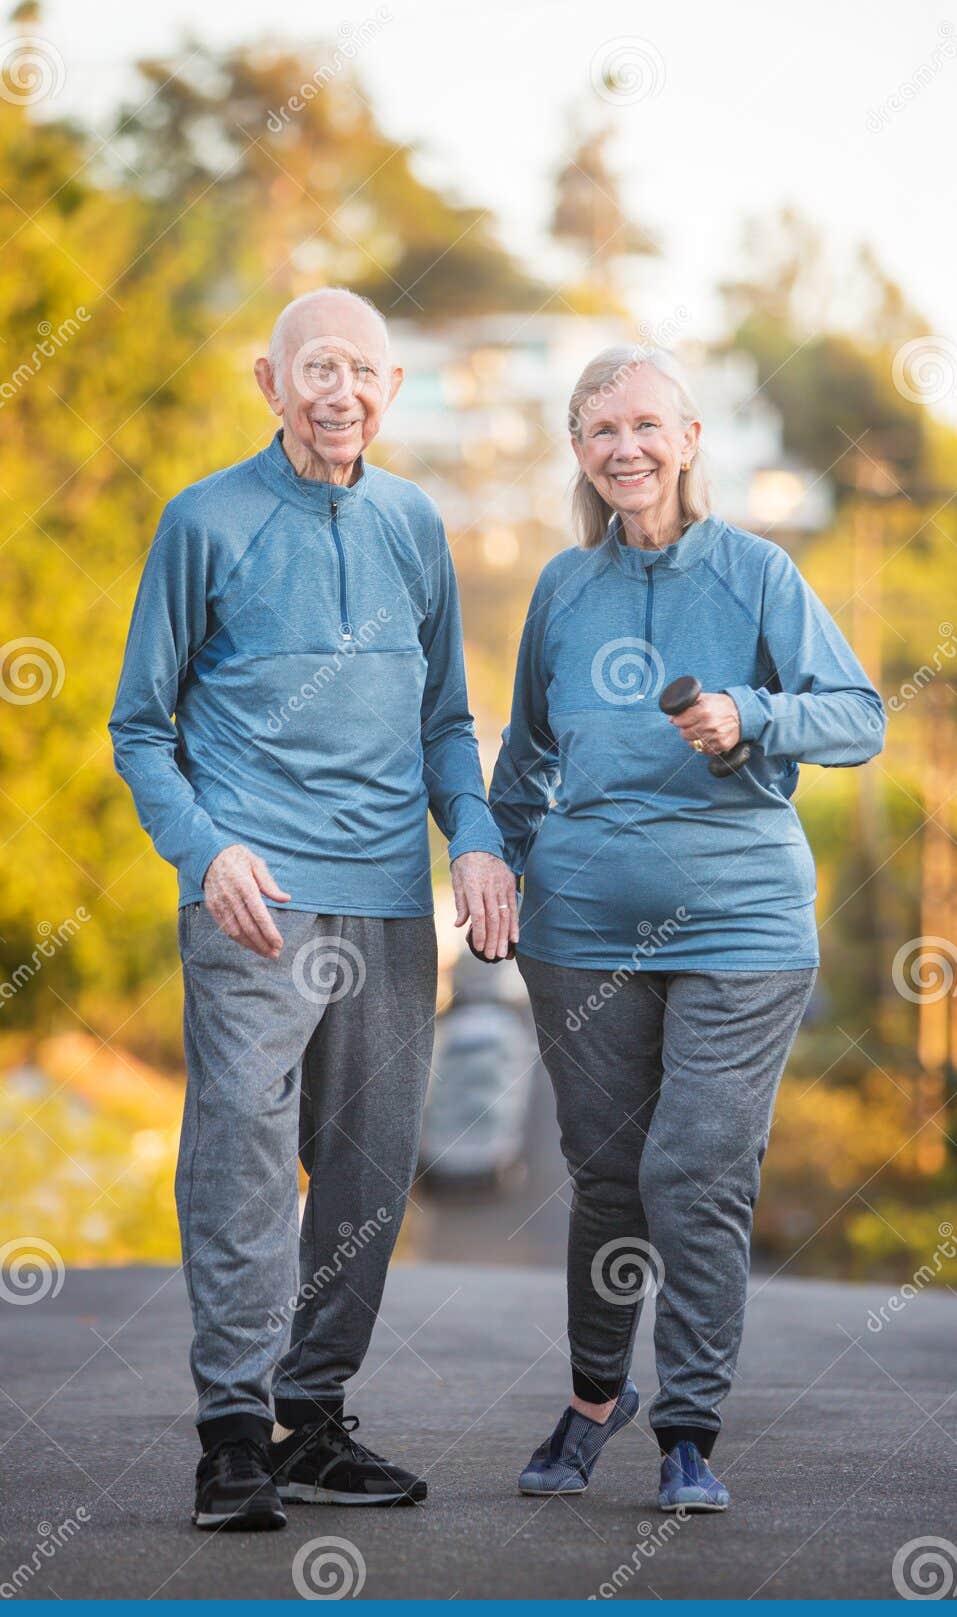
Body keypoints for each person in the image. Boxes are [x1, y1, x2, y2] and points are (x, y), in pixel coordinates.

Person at [109, 287, 517, 1530]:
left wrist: (482, 841)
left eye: (364, 372)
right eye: (316, 368)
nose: (341, 392)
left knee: (369, 1169)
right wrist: (206, 849)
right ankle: (233, 1434)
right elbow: (140, 726)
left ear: (392, 392)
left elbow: (448, 723)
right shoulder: (206, 523)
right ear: (269, 382)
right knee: (239, 1159)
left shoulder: (412, 524)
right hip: (256, 907)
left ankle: (312, 1416)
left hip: (392, 906)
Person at [489, 344, 885, 1512]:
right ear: (579, 451)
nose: (627, 449)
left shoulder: (758, 573)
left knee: (695, 1168)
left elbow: (858, 715)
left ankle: (691, 1429)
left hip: (742, 925)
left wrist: (751, 713)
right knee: (608, 1176)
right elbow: (523, 761)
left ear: (692, 439)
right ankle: (592, 1401)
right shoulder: (563, 589)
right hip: (582, 934)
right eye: (602, 430)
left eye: (648, 426)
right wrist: (494, 864)